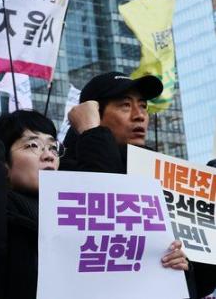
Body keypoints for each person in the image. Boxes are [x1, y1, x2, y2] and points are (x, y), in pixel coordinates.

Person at [0, 110, 188, 299]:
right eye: (32, 145)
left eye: (53, 147)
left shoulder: (79, 214)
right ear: (4, 165)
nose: (49, 155)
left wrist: (161, 261)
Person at [61, 72, 215, 298]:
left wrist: (184, 266)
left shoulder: (162, 179)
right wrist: (93, 134)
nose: (139, 115)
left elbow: (202, 284)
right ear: (92, 113)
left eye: (143, 106)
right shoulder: (62, 172)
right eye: (125, 106)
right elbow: (105, 218)